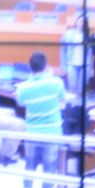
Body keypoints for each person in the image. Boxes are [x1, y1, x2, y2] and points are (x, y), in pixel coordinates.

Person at [9, 50, 67, 180]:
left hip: (32, 132)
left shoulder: (23, 87)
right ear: (46, 66)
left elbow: (21, 103)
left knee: (29, 167)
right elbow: (63, 103)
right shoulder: (57, 82)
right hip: (53, 132)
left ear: (29, 67)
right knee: (50, 170)